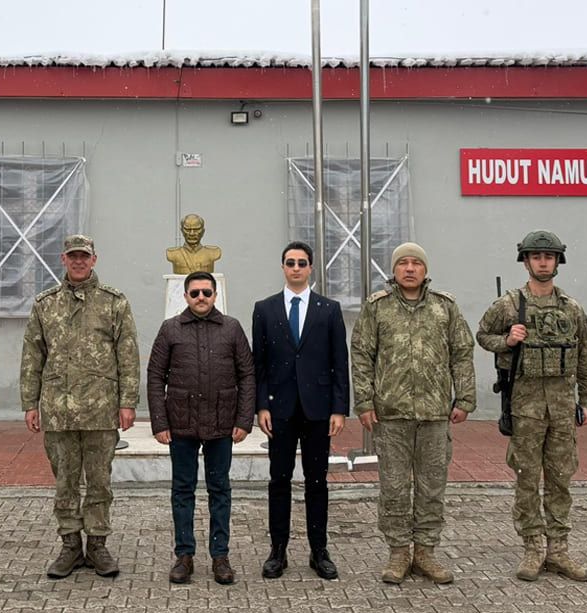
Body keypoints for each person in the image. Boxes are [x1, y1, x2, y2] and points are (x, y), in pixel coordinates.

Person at [350, 242, 476, 585]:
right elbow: (361, 355)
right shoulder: (377, 308)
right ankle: (398, 552)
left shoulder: (444, 307)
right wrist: (364, 402)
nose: (409, 268)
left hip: (434, 415)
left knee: (431, 487)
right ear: (393, 270)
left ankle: (425, 552)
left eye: (415, 263)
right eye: (402, 263)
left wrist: (464, 398)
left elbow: (462, 353)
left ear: (425, 269)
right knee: (393, 487)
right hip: (391, 415)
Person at [476, 230, 587, 583]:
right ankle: (532, 548)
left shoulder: (572, 308)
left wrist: (586, 400)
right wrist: (507, 340)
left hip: (562, 408)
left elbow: (585, 356)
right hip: (526, 407)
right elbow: (482, 336)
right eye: (536, 256)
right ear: (526, 261)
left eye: (549, 256)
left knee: (560, 480)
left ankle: (558, 550)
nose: (543, 262)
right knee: (527, 479)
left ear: (558, 261)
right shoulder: (509, 305)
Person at [20, 234, 140, 579]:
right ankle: (71, 545)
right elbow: (32, 356)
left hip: (101, 410)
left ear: (94, 260)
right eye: (73, 256)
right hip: (59, 410)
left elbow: (128, 355)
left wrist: (128, 402)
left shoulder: (113, 302)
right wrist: (30, 402)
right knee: (65, 483)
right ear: (63, 259)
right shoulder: (45, 304)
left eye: (84, 256)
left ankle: (98, 545)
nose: (78, 262)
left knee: (100, 481)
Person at [147, 271, 255, 585]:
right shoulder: (170, 329)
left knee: (219, 490)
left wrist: (243, 420)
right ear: (185, 296)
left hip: (222, 423)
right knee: (183, 490)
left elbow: (247, 375)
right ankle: (184, 555)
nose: (201, 298)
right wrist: (160, 422)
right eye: (194, 293)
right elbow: (155, 376)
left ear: (215, 295)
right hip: (181, 423)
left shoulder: (231, 328)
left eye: (206, 292)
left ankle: (220, 556)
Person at [251, 241, 349, 580]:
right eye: (290, 262)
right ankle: (277, 551)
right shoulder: (264, 309)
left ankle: (319, 550)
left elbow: (339, 361)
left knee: (316, 481)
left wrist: (339, 408)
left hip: (318, 409)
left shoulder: (329, 309)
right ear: (282, 267)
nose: (296, 268)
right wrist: (261, 405)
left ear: (311, 268)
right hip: (279, 408)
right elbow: (259, 364)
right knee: (279, 480)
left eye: (302, 263)